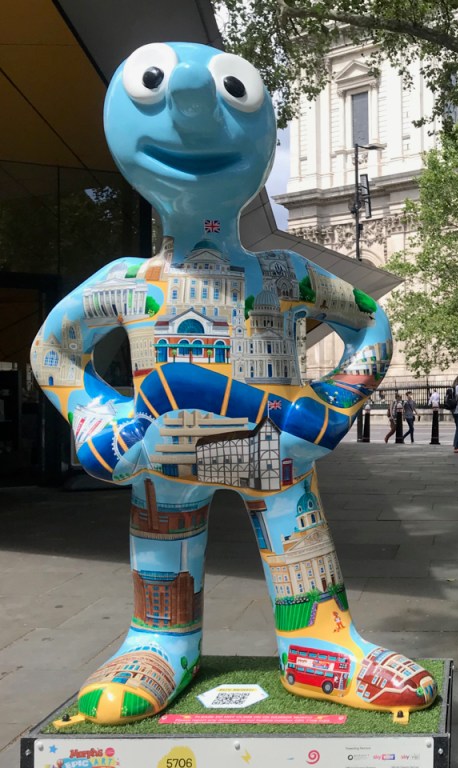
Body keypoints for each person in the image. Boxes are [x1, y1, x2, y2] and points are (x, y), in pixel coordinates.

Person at [26, 42, 435, 725]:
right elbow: (53, 350)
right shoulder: (129, 282)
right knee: (167, 567)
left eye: (231, 95)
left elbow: (370, 323)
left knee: (297, 553)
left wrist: (334, 403)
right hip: (168, 455)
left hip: (272, 448)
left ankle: (318, 644)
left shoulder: (281, 275)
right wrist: (97, 415)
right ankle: (160, 642)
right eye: (154, 89)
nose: (191, 108)